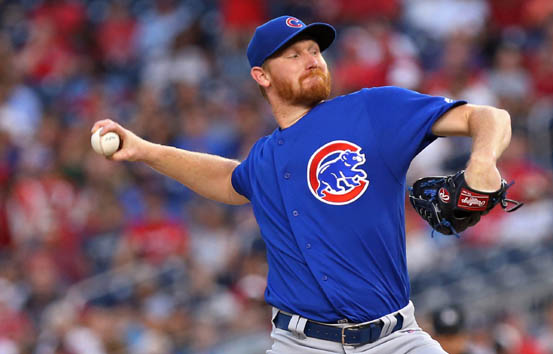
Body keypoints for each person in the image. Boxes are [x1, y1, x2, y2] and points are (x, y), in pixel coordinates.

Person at [91, 15, 512, 354]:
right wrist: (145, 149)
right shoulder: (265, 157)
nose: (311, 58)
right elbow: (227, 179)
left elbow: (490, 118)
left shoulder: (370, 110)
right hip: (300, 343)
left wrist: (481, 161)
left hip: (395, 339)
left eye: (314, 50)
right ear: (262, 76)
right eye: (293, 54)